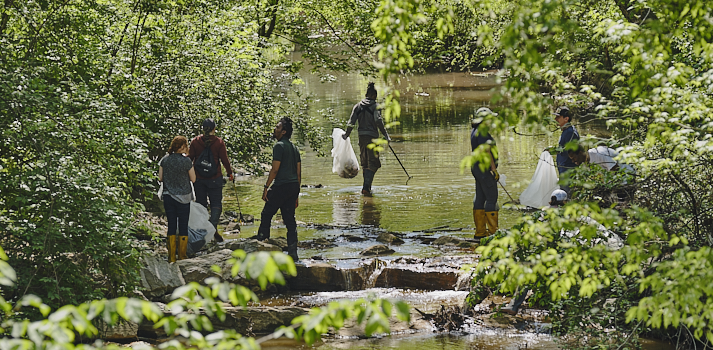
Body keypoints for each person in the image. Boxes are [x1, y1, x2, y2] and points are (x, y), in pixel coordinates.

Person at [501, 189, 567, 315]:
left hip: (537, 250)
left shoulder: (542, 212)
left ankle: (514, 306)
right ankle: (557, 307)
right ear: (564, 202)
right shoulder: (564, 215)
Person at [256, 117, 302, 261]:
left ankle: (262, 248)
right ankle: (293, 254)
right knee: (289, 220)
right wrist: (296, 194)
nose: (274, 129)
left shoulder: (279, 146)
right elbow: (298, 173)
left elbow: (274, 170)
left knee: (266, 214)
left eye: (277, 127)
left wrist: (266, 187)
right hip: (293, 186)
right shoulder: (295, 148)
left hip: (281, 185)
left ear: (284, 131)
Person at [342, 82, 391, 196]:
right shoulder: (375, 106)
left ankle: (367, 188)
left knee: (365, 163)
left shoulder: (357, 106)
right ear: (374, 95)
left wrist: (346, 135)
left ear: (366, 94)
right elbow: (378, 120)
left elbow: (351, 122)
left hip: (362, 138)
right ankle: (365, 188)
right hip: (372, 138)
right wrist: (386, 135)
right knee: (373, 163)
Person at [189, 118, 233, 240]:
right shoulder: (219, 142)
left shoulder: (195, 141)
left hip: (199, 178)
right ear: (214, 129)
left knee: (201, 205)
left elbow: (189, 159)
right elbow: (224, 160)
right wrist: (230, 173)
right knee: (216, 204)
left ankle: (203, 232)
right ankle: (212, 229)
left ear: (202, 129)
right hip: (215, 178)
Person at [158, 136, 196, 262]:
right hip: (184, 198)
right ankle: (182, 256)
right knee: (183, 226)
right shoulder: (186, 161)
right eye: (186, 146)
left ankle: (171, 257)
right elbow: (193, 179)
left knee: (172, 225)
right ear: (182, 147)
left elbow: (160, 178)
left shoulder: (165, 160)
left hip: (168, 196)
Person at [470, 107, 499, 241]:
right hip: (485, 169)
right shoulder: (482, 132)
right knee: (491, 198)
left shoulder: (475, 131)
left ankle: (480, 232)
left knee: (480, 197)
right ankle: (493, 233)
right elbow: (486, 151)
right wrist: (493, 169)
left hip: (476, 169)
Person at [553, 106, 579, 195]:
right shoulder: (566, 131)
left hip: (568, 169)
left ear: (566, 119)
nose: (555, 119)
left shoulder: (570, 132)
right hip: (563, 168)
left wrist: (554, 150)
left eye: (558, 117)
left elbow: (570, 151)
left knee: (567, 194)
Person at [568, 145, 635, 173]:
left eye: (574, 158)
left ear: (580, 153)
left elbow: (615, 168)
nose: (573, 161)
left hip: (626, 176)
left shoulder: (598, 154)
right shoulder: (584, 163)